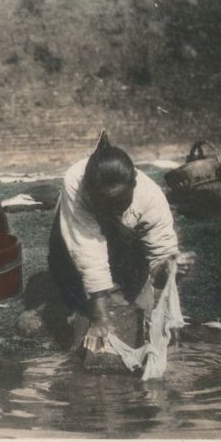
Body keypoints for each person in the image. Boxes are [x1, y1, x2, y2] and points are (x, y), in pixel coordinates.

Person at [48, 133, 194, 353]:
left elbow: (159, 262)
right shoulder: (76, 183)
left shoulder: (151, 199)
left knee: (137, 315)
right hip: (75, 239)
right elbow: (87, 249)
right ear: (90, 191)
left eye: (120, 201)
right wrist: (99, 317)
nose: (113, 208)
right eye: (105, 202)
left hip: (127, 247)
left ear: (133, 185)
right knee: (80, 312)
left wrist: (171, 267)